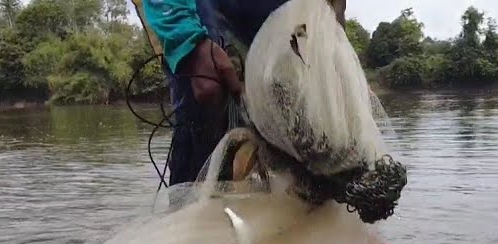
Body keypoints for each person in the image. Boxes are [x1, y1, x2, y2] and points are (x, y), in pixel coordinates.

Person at [140, 0, 346, 186]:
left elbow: (333, 11)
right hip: (200, 11)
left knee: (312, 141)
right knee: (209, 99)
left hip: (287, 18)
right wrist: (186, 37)